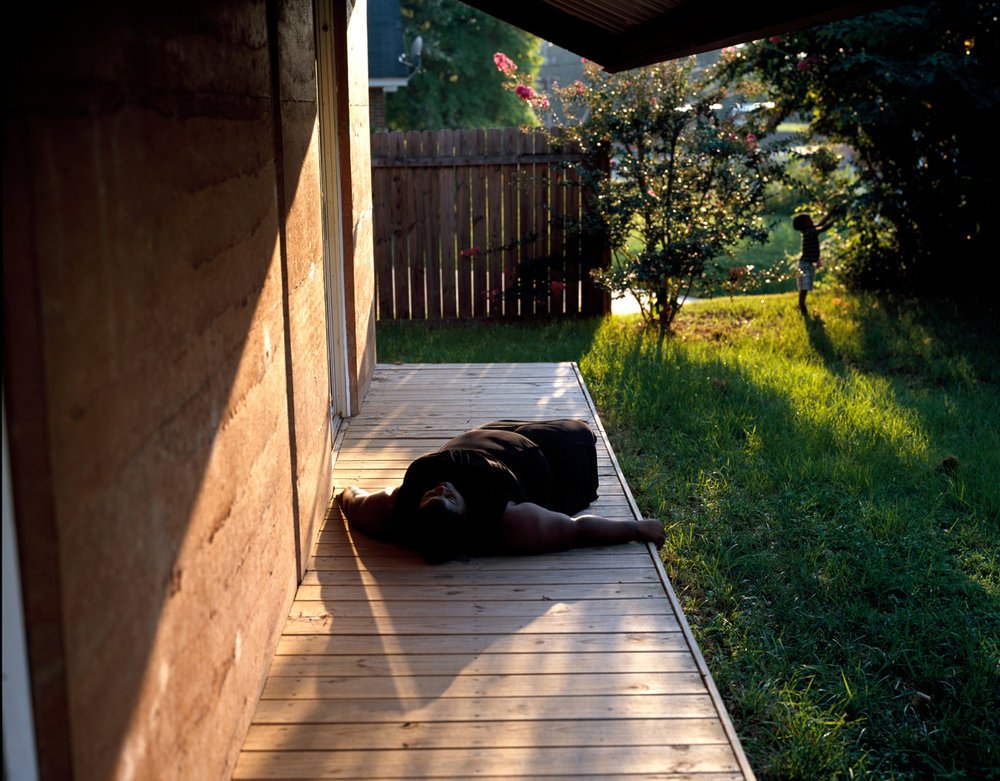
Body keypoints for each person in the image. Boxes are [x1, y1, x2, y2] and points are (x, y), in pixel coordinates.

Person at [338, 419, 665, 563]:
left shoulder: (399, 511)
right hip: (543, 455)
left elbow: (355, 502)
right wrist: (637, 528)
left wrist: (344, 494)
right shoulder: (505, 523)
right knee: (582, 432)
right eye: (448, 497)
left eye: (433, 493)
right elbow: (576, 531)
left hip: (490, 432)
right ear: (464, 516)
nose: (442, 487)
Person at [792, 211, 837, 313]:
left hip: (809, 264)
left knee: (806, 287)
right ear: (804, 224)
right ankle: (801, 305)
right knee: (804, 287)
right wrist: (833, 221)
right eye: (809, 220)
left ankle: (801, 304)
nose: (812, 221)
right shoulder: (808, 232)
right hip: (805, 264)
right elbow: (822, 228)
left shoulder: (810, 230)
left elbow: (821, 224)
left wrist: (830, 214)